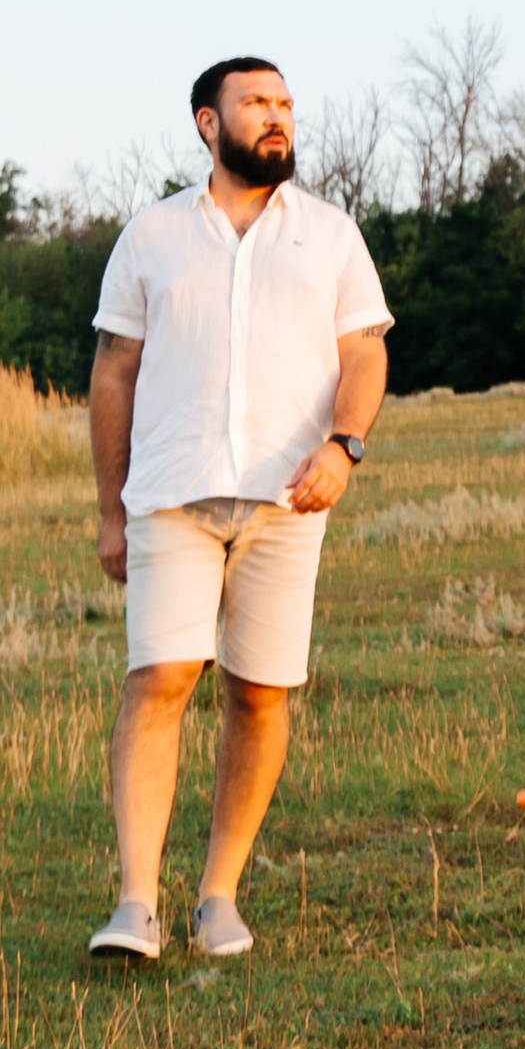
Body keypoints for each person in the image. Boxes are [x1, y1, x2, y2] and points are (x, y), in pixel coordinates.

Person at [86, 57, 392, 964]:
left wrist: (344, 446)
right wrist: (110, 509)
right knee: (162, 678)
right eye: (256, 103)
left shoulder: (332, 236)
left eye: (286, 104)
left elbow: (364, 356)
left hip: (289, 499)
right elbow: (114, 372)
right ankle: (136, 903)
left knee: (259, 693)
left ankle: (217, 895)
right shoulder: (151, 236)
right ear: (207, 125)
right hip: (171, 496)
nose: (277, 118)